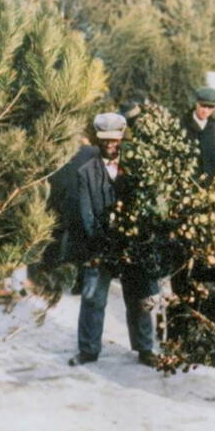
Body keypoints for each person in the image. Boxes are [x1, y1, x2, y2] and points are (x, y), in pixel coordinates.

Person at [68, 113, 157, 367]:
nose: (109, 145)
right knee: (92, 297)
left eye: (114, 140)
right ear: (97, 139)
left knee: (139, 297)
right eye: (104, 140)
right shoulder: (86, 173)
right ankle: (88, 349)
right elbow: (86, 213)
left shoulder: (137, 167)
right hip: (100, 243)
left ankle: (145, 348)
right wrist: (101, 240)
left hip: (132, 244)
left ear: (122, 138)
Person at [182, 86, 215, 178]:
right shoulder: (182, 123)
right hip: (188, 183)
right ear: (196, 104)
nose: (206, 111)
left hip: (211, 185)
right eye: (203, 106)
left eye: (210, 107)